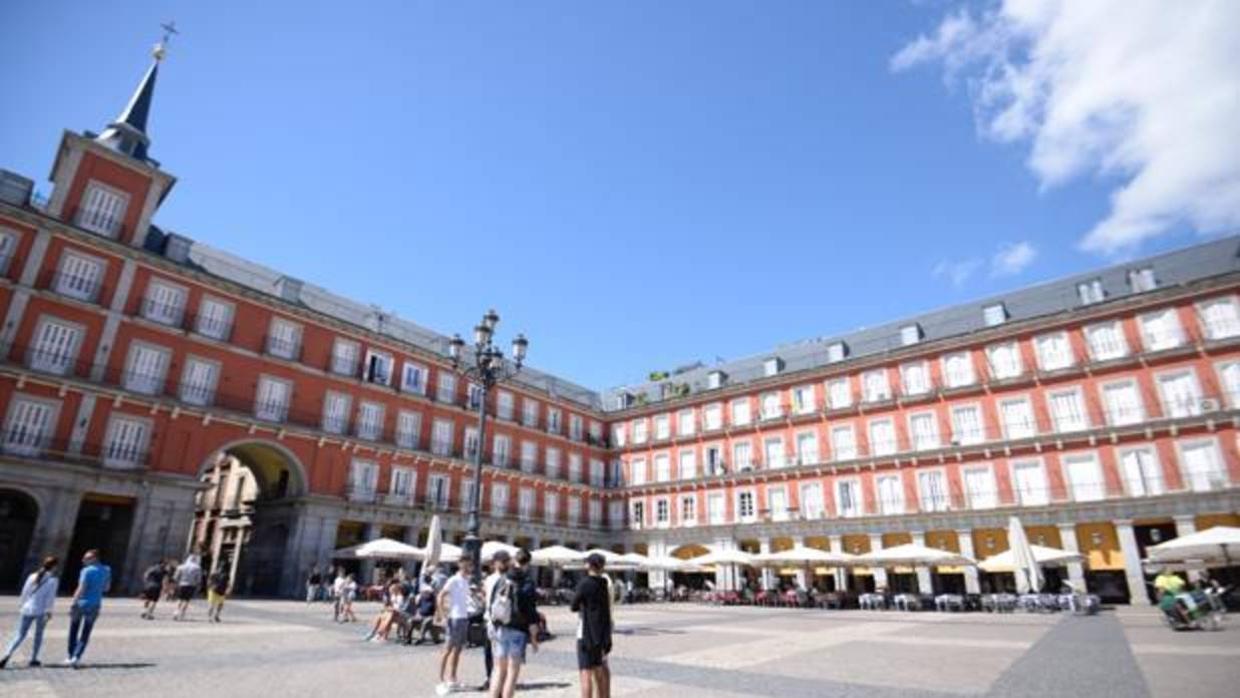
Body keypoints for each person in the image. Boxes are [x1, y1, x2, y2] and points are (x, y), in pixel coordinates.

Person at [490, 549, 539, 698]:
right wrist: (534, 637)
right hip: (518, 629)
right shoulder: (527, 580)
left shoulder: (503, 578)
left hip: (501, 626)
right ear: (528, 563)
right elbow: (530, 610)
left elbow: (493, 601)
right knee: (512, 673)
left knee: (498, 670)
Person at [1, 556, 59, 669]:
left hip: (27, 608)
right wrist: (49, 611)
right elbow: (50, 598)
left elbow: (24, 592)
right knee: (38, 635)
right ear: (54, 567)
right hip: (41, 611)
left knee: (20, 635)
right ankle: (34, 658)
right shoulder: (53, 580)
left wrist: (23, 605)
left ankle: (7, 654)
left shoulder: (32, 576)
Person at [572, 553, 613, 698]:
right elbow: (606, 611)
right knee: (599, 671)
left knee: (585, 674)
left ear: (589, 565)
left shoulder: (584, 583)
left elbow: (573, 606)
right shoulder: (604, 584)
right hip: (600, 635)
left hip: (585, 633)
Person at [436, 558, 478, 696]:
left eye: (470, 566)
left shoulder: (466, 581)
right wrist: (443, 615)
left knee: (458, 650)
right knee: (447, 649)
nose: (468, 568)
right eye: (466, 566)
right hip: (454, 618)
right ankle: (441, 679)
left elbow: (466, 599)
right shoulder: (454, 579)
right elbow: (441, 595)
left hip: (464, 617)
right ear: (460, 566)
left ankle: (452, 678)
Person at [66, 549, 111, 667]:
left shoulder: (86, 571)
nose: (83, 560)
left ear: (95, 558)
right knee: (86, 632)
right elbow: (106, 588)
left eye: (87, 558)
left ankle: (71, 655)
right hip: (95, 604)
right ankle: (77, 656)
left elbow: (81, 588)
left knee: (73, 630)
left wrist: (73, 602)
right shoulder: (107, 570)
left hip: (81, 603)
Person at [481, 551, 512, 691]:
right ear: (495, 563)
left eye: (506, 560)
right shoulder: (500, 579)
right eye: (503, 561)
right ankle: (494, 680)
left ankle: (493, 679)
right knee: (495, 653)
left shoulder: (491, 579)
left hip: (493, 619)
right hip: (496, 620)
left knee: (495, 653)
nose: (506, 563)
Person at [172, 555, 203, 621]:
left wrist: (176, 583)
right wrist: (198, 585)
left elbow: (175, 577)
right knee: (186, 600)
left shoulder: (181, 567)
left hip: (181, 584)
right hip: (191, 586)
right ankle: (182, 614)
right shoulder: (197, 568)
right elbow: (198, 579)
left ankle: (176, 612)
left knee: (180, 599)